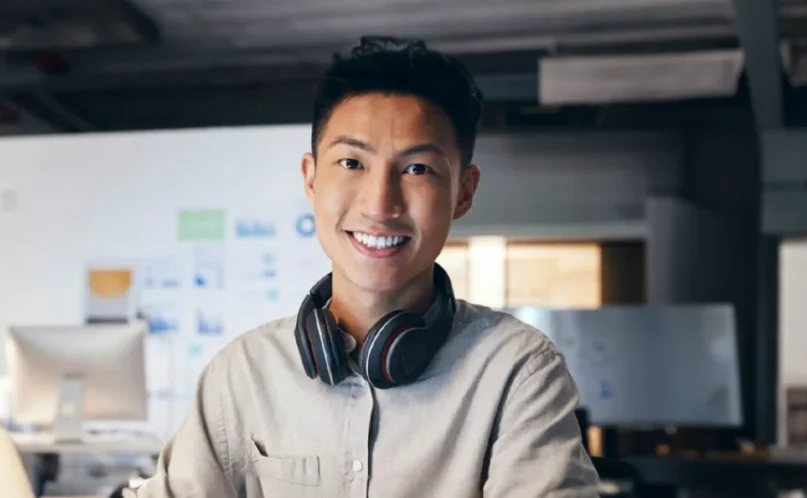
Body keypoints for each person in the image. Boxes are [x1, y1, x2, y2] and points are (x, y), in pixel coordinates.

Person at [128, 37, 599, 498]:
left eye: (417, 169)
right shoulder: (243, 374)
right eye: (352, 162)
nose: (380, 204)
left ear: (464, 192)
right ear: (311, 179)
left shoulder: (518, 371)